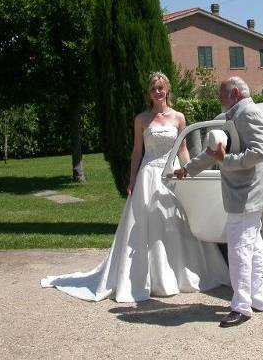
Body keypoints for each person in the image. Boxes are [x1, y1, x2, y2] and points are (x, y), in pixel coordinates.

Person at [41, 72, 229, 302]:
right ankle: (147, 278)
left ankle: (182, 274)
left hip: (172, 174)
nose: (157, 92)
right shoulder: (141, 119)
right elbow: (137, 152)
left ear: (167, 89)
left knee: (175, 221)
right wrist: (131, 181)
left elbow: (182, 150)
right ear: (148, 93)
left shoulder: (179, 117)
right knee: (146, 224)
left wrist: (189, 172)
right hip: (149, 175)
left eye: (161, 88)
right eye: (153, 89)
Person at [175, 76, 263, 328]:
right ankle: (257, 299)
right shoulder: (233, 115)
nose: (218, 97)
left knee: (239, 248)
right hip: (245, 193)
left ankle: (241, 306)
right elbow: (214, 152)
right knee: (253, 246)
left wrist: (225, 161)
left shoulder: (249, 113)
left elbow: (260, 153)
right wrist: (188, 168)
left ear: (235, 93)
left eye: (221, 93)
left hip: (247, 193)